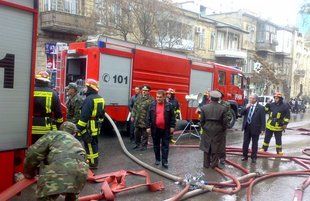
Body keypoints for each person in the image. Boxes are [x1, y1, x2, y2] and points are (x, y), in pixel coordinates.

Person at [24, 121, 88, 201]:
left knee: (45, 198)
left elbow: (33, 154)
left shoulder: (53, 134)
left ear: (60, 129)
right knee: (71, 196)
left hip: (60, 168)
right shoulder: (77, 143)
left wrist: (28, 173)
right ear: (74, 133)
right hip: (82, 172)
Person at [76, 78, 105, 169]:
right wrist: (99, 124)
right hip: (96, 126)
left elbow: (84, 116)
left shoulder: (89, 99)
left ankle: (92, 163)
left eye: (86, 87)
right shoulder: (100, 98)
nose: (85, 89)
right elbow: (102, 114)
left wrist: (78, 128)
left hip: (88, 127)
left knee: (89, 145)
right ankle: (94, 162)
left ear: (90, 88)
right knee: (94, 144)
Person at [147, 90, 176, 169]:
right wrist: (148, 127)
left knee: (165, 146)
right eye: (157, 97)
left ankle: (165, 161)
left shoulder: (169, 105)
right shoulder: (152, 105)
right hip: (155, 129)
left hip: (165, 129)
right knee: (156, 145)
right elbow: (148, 117)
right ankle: (157, 159)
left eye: (160, 97)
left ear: (164, 97)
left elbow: (173, 117)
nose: (158, 99)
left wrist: (172, 126)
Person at [32, 71, 63, 144]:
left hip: (30, 126)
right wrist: (58, 124)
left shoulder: (30, 91)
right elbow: (58, 112)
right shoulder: (53, 93)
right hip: (46, 127)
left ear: (36, 79)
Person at [200, 91, 227, 169]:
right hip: (218, 130)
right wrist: (223, 129)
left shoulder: (204, 107)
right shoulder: (223, 108)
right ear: (218, 98)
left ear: (210, 98)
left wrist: (204, 127)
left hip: (207, 129)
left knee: (206, 146)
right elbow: (224, 121)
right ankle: (214, 165)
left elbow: (202, 120)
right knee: (216, 147)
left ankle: (206, 164)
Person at [241, 94, 265, 163]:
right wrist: (246, 107)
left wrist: (263, 129)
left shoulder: (261, 108)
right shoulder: (247, 106)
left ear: (255, 100)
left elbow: (263, 119)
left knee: (254, 144)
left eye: (251, 98)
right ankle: (244, 156)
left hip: (256, 128)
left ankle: (253, 157)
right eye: (250, 98)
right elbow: (241, 113)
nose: (250, 100)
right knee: (245, 143)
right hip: (247, 127)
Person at [131, 84, 154, 151]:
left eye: (146, 90)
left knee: (145, 134)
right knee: (136, 132)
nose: (144, 91)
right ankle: (137, 144)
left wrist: (150, 120)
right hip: (138, 119)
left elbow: (152, 111)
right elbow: (134, 107)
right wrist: (132, 116)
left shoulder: (151, 99)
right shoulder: (138, 97)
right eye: (143, 90)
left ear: (148, 91)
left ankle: (144, 146)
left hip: (145, 120)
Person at [217, 89, 233, 165]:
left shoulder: (226, 104)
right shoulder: (212, 103)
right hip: (214, 128)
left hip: (222, 127)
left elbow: (229, 116)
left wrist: (223, 121)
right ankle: (214, 157)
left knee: (222, 144)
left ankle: (222, 158)